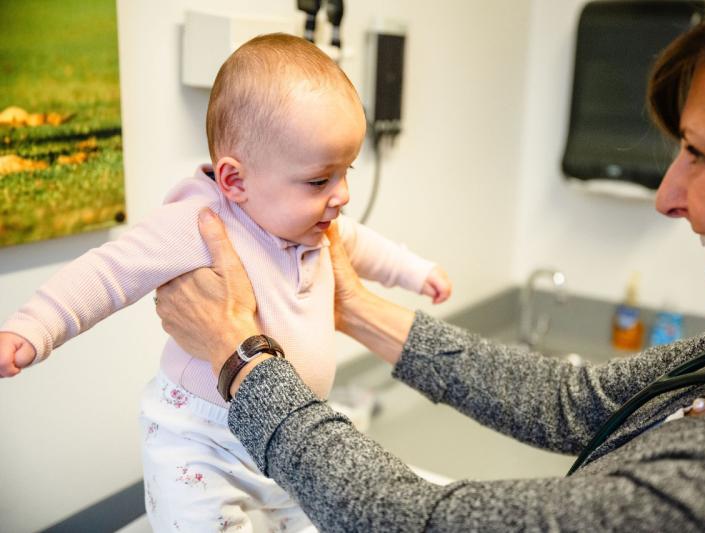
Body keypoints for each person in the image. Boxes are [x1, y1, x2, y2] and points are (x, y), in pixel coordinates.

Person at [153, 1, 705, 531]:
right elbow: (580, 403)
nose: (668, 195)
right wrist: (355, 307)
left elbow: (419, 523)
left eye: (698, 153)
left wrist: (240, 356)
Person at [0, 34, 451, 532]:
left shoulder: (320, 226)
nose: (341, 195)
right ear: (235, 181)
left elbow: (367, 248)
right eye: (320, 180)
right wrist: (32, 328)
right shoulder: (197, 223)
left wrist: (416, 271)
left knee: (314, 521)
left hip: (286, 429)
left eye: (347, 172)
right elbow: (108, 273)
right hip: (200, 440)